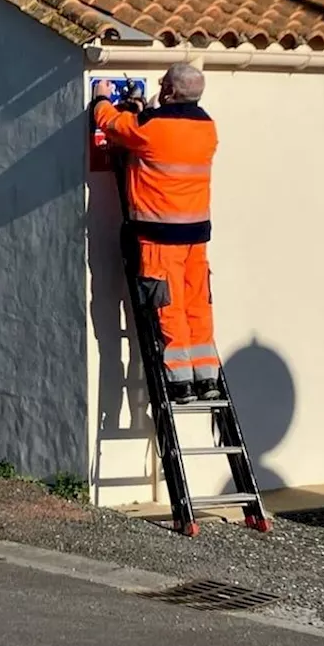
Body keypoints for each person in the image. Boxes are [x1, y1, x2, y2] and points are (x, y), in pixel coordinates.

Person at [91, 62, 219, 404]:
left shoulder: (151, 127)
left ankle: (179, 383)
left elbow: (113, 124)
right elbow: (163, 135)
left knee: (168, 305)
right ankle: (207, 375)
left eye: (163, 84)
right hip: (196, 236)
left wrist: (101, 99)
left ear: (170, 91)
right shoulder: (208, 127)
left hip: (158, 235)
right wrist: (146, 110)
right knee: (197, 304)